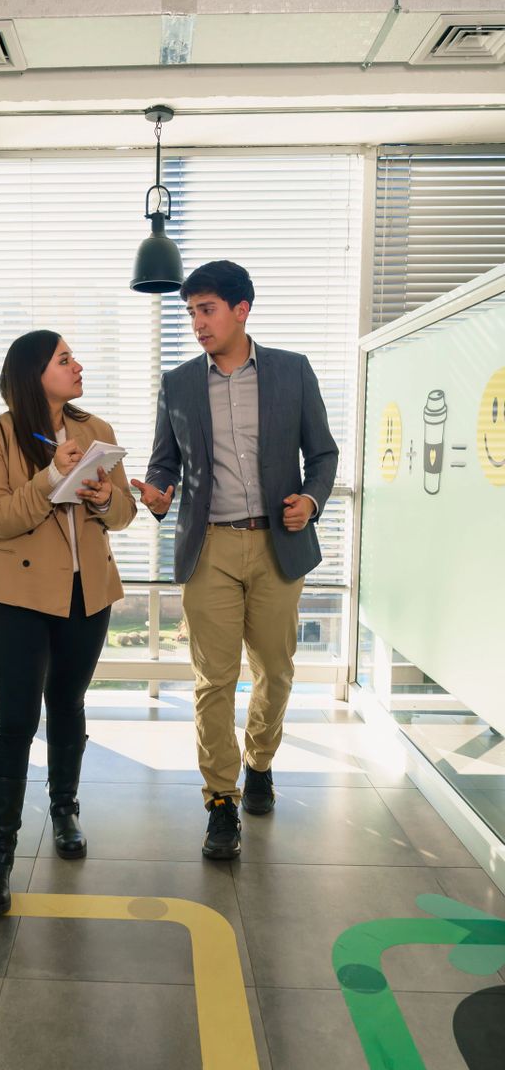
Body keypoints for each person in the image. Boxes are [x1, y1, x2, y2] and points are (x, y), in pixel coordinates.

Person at [131, 261, 338, 861]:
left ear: (242, 309)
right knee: (213, 679)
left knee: (274, 668)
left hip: (278, 542)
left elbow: (321, 454)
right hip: (209, 547)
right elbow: (164, 463)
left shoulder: (293, 372)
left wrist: (311, 500)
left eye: (206, 309)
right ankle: (220, 799)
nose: (196, 323)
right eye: (189, 311)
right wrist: (158, 490)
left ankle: (260, 759)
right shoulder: (178, 384)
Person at [0, 329, 136, 914]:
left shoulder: (99, 432)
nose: (78, 365)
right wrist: (49, 480)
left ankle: (64, 810)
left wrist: (97, 496)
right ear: (34, 372)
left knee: (67, 702)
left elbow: (124, 514)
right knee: (14, 720)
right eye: (65, 359)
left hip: (85, 594)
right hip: (17, 594)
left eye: (74, 358)